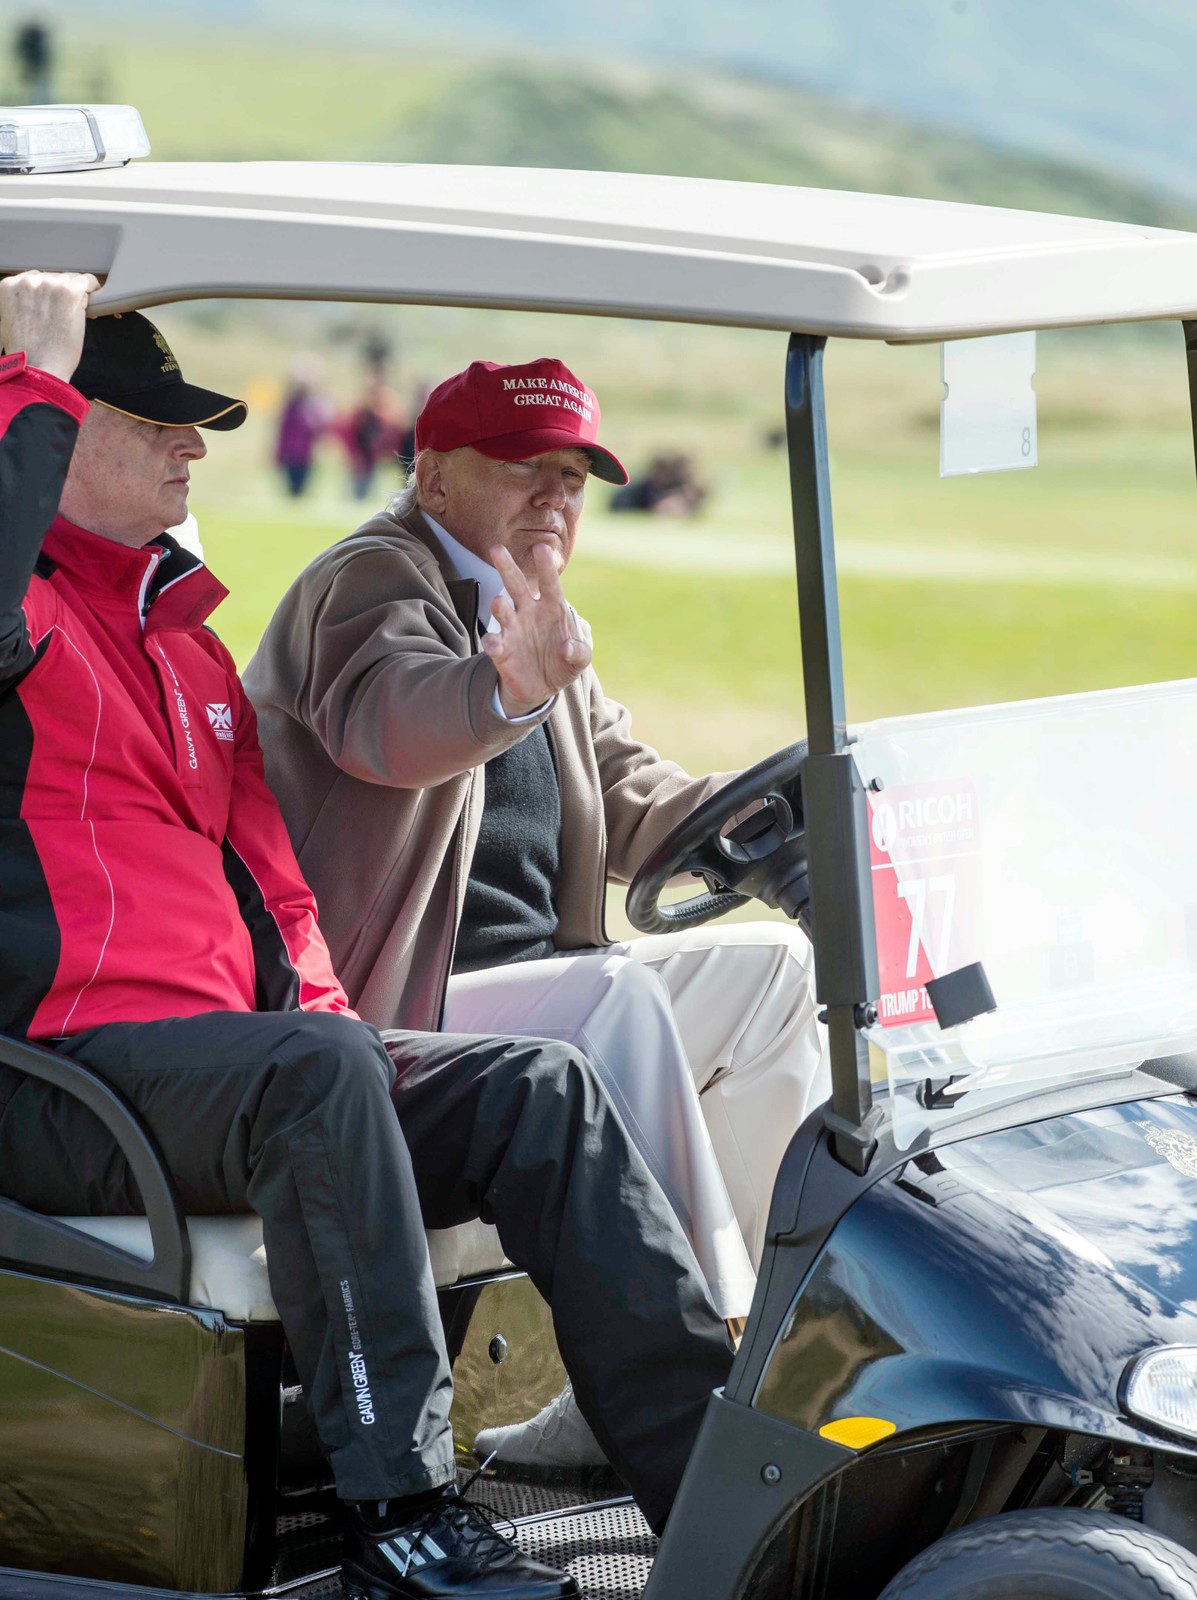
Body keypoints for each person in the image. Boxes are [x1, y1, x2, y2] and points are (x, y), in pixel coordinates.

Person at [0, 278, 734, 1595]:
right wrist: (29, 383)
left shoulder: (184, 649)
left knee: (537, 1087)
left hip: (225, 1068)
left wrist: (345, 1030)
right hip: (61, 1074)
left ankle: (718, 1493)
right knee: (315, 1073)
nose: (197, 444)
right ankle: (401, 1511)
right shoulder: (28, 629)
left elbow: (277, 896)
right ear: (55, 433)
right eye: (156, 419)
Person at [245, 358, 827, 1466]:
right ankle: (679, 1363)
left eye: (574, 474)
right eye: (526, 469)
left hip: (530, 1002)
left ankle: (737, 1350)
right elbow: (395, 724)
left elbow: (633, 789)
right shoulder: (368, 582)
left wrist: (791, 814)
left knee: (774, 981)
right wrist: (507, 691)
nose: (557, 494)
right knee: (609, 998)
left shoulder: (535, 612)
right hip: (381, 1019)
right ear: (432, 474)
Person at [274, 357, 332, 497]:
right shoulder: (290, 406)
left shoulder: (316, 405)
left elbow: (322, 429)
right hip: (291, 455)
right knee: (292, 490)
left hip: (307, 456)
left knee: (302, 490)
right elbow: (283, 432)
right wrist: (279, 454)